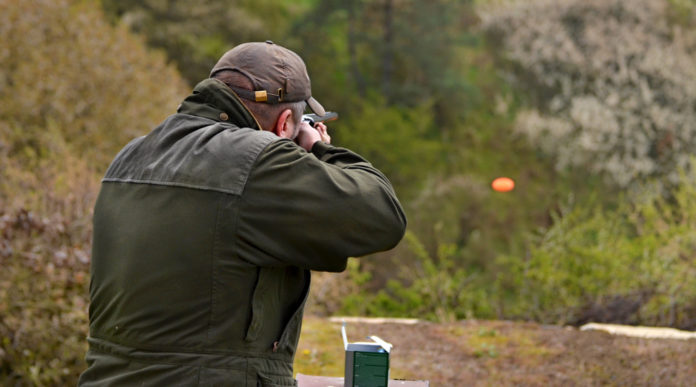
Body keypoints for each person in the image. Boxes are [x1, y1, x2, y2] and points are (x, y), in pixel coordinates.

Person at [78, 41, 407, 386]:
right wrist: (318, 147)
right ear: (283, 125)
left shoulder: (130, 156)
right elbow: (383, 216)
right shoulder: (257, 162)